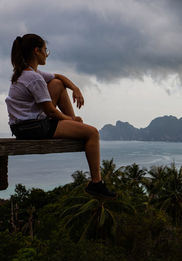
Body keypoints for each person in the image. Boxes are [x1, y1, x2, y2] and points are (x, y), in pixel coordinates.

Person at [5, 33, 116, 198]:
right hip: (33, 127)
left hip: (22, 126)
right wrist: (71, 119)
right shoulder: (34, 78)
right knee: (92, 133)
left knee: (58, 84)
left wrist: (75, 88)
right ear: (37, 51)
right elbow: (50, 111)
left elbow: (58, 77)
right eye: (45, 50)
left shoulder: (26, 73)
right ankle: (96, 183)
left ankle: (77, 126)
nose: (46, 54)